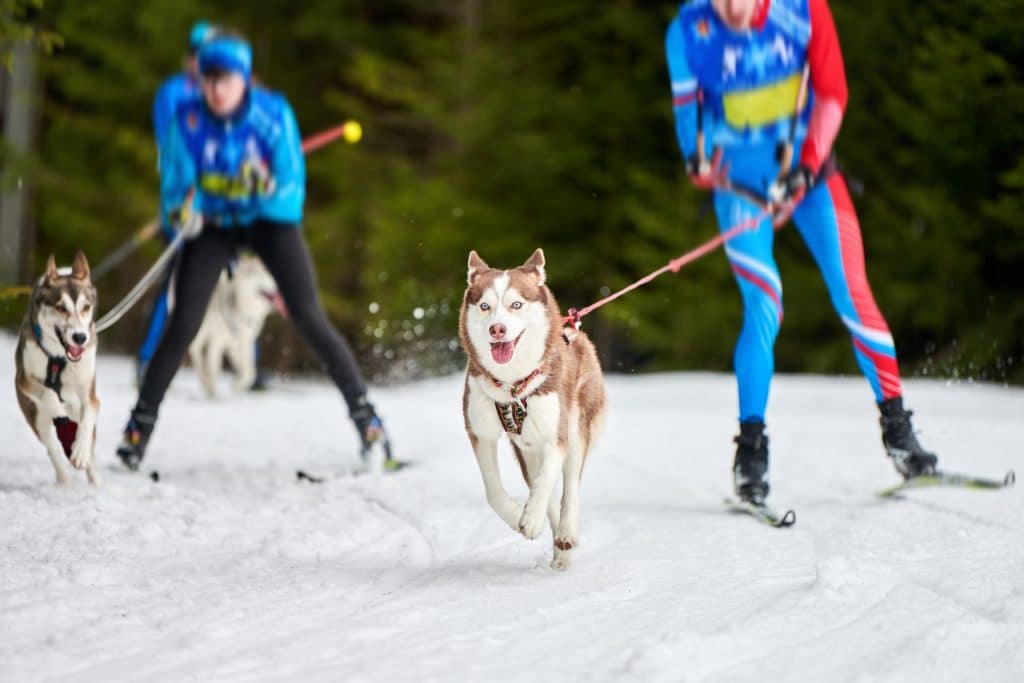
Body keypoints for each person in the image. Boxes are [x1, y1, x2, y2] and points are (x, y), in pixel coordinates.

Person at [665, 0, 937, 505]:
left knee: (854, 295)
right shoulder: (688, 30)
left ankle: (900, 435)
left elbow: (832, 93)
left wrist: (808, 166)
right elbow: (689, 111)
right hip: (740, 186)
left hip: (809, 175)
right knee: (766, 305)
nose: (731, 9)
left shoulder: (805, 10)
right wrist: (696, 158)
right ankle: (751, 455)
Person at [117, 33, 394, 471]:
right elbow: (175, 185)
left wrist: (264, 189)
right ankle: (137, 431)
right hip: (214, 227)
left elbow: (291, 188)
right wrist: (181, 210)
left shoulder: (272, 114)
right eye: (208, 79)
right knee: (185, 321)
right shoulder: (187, 120)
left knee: (307, 314)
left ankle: (370, 424)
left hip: (268, 223)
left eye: (225, 80)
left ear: (244, 80)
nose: (216, 90)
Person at [137, 20, 218, 385]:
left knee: (229, 276)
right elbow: (174, 148)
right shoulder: (174, 93)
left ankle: (246, 361)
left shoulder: (221, 94)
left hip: (221, 202)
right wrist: (190, 188)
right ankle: (148, 358)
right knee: (177, 282)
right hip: (184, 201)